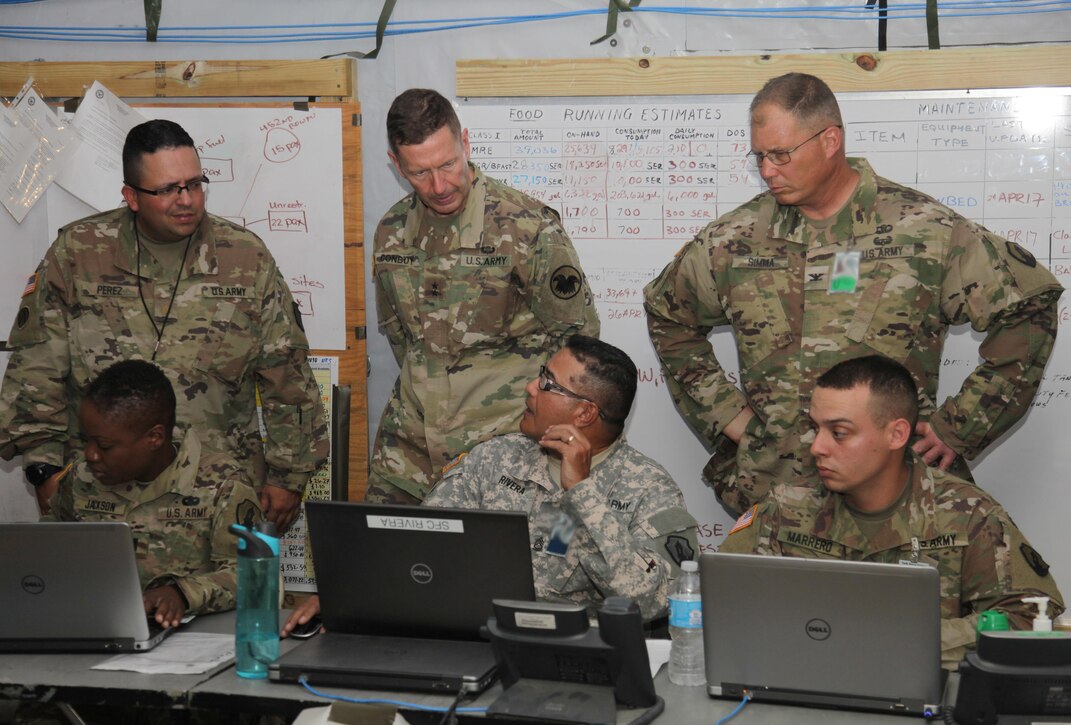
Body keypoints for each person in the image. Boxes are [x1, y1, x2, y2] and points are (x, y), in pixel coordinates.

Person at [643, 72, 1062, 516]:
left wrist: (960, 427)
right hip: (777, 501)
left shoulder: (924, 230)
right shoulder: (734, 239)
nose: (767, 171)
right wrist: (729, 418)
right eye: (760, 156)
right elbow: (668, 316)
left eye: (781, 154)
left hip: (892, 504)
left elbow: (1028, 309)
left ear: (829, 141)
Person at [0, 119, 328, 532]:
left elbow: (287, 373)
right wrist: (44, 470)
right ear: (131, 197)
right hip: (100, 497)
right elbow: (36, 368)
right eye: (168, 189)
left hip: (217, 499)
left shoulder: (245, 258)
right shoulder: (79, 253)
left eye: (195, 183)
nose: (187, 199)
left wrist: (289, 477)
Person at [284, 336, 698, 634]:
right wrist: (351, 598)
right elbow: (418, 544)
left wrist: (582, 492)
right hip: (476, 642)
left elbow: (648, 603)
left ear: (585, 414)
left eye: (548, 383)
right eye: (539, 375)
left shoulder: (649, 489)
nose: (530, 388)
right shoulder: (495, 459)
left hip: (579, 656)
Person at [720, 355, 1064, 668]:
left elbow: (1030, 617)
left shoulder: (967, 516)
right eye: (815, 428)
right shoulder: (785, 509)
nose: (818, 447)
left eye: (838, 433)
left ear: (896, 434)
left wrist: (907, 644)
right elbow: (720, 597)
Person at [368, 88, 599, 505]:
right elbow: (403, 339)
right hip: (408, 459)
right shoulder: (391, 232)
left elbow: (580, 345)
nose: (439, 186)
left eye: (448, 164)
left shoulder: (527, 228)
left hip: (504, 458)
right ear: (396, 165)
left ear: (466, 143)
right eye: (420, 173)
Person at [44, 359, 263, 627]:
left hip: (192, 639)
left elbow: (256, 576)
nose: (91, 455)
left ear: (154, 438)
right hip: (96, 629)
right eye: (85, 439)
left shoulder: (222, 485)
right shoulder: (80, 480)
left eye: (104, 445)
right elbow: (46, 555)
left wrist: (183, 594)